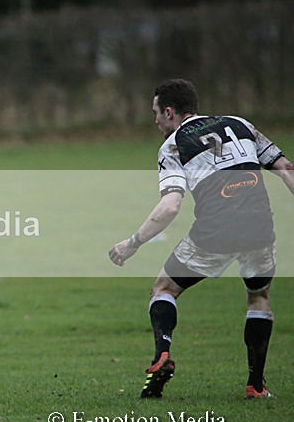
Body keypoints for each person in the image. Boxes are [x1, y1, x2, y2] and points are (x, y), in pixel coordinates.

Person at [108, 78, 294, 399]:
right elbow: (285, 168)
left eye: (155, 113)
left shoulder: (173, 145)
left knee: (164, 288)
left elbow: (170, 206)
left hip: (216, 231)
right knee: (258, 298)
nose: (154, 120)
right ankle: (255, 385)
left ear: (169, 112)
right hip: (261, 225)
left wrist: (132, 243)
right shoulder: (240, 124)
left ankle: (162, 354)